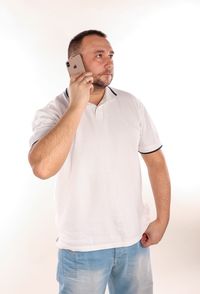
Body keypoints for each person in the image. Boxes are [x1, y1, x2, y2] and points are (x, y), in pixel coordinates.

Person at [28, 30, 171, 294]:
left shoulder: (132, 105)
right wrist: (76, 105)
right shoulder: (53, 112)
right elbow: (43, 168)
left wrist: (162, 219)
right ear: (75, 63)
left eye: (111, 55)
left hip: (134, 243)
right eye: (99, 55)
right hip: (82, 249)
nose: (109, 61)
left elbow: (157, 163)